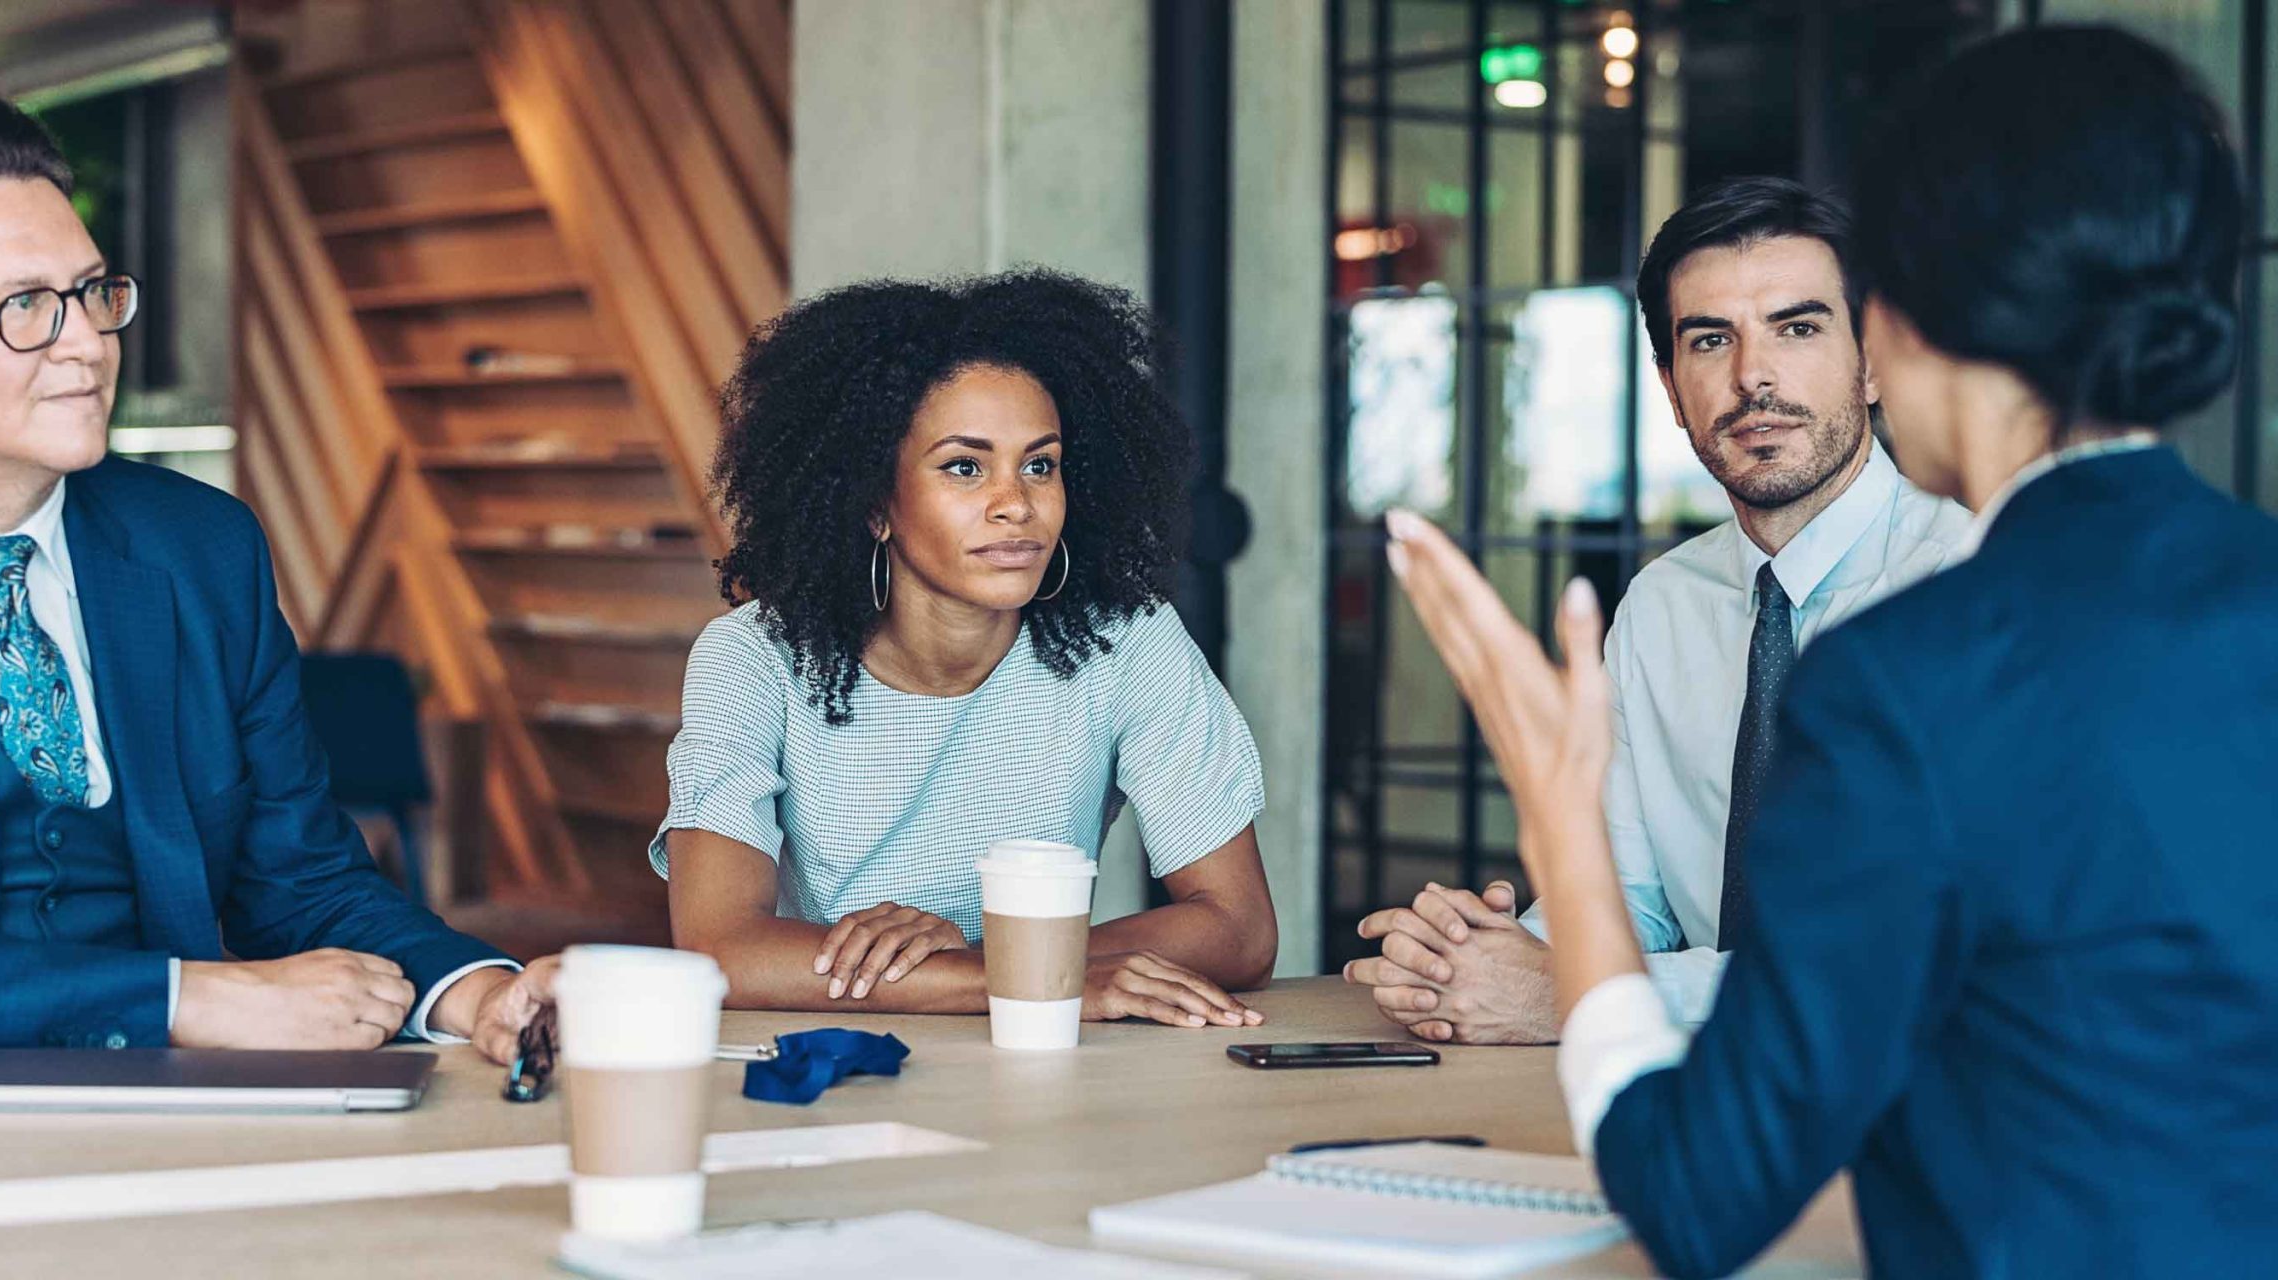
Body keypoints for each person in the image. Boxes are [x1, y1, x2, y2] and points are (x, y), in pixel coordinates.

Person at [1382, 26, 2278, 1277]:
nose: (1758, 373)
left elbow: (1699, 1196)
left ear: (1893, 332)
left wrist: (1559, 824)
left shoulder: (1913, 667)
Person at [0, 92, 552, 1066]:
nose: (87, 342)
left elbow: (303, 878)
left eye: (92, 292)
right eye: (24, 307)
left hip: (172, 1105)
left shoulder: (200, 546)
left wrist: (480, 992)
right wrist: (182, 997)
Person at [1344, 179, 1971, 1043]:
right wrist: (1483, 956)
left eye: (1798, 327)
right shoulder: (1664, 605)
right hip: (1692, 1109)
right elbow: (1627, 900)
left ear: (1873, 363)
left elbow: (1910, 960)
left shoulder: (1971, 592)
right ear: (1673, 391)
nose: (1753, 376)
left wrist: (1576, 994)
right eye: (1710, 340)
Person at [655, 269, 1278, 1028]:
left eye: (1040, 465)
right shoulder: (753, 660)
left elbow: (1239, 925)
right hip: (836, 1066)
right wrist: (1024, 977)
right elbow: (719, 948)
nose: (1016, 503)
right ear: (876, 503)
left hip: (1036, 1063)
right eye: (964, 466)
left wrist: (1001, 967)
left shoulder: (1127, 643)